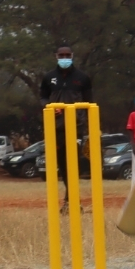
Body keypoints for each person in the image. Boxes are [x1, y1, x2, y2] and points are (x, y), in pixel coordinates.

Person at [39, 44, 93, 208]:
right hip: (56, 127)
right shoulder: (49, 77)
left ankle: (72, 200)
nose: (64, 58)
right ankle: (70, 199)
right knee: (62, 164)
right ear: (56, 56)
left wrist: (91, 128)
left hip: (76, 126)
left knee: (74, 162)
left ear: (72, 56)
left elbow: (89, 102)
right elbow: (42, 98)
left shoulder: (82, 77)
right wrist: (49, 106)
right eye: (61, 55)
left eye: (67, 55)